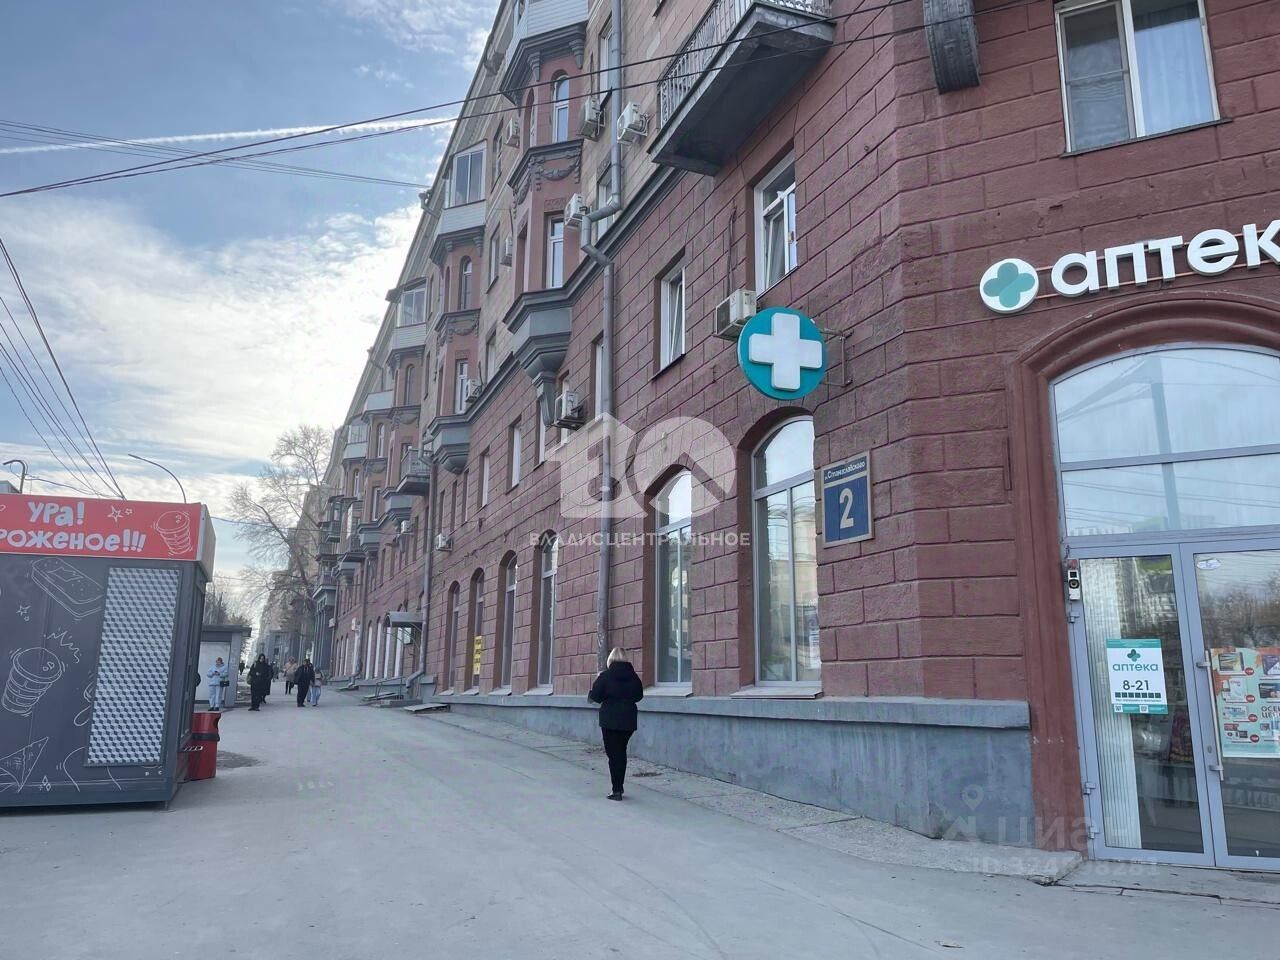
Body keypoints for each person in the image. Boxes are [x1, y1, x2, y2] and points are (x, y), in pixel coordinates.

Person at [588, 647, 644, 801]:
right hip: (628, 720)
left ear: (610, 659)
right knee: (621, 752)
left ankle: (616, 790)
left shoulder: (606, 676)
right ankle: (619, 787)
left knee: (613, 755)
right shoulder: (634, 677)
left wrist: (593, 690)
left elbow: (596, 697)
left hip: (610, 721)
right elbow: (639, 696)